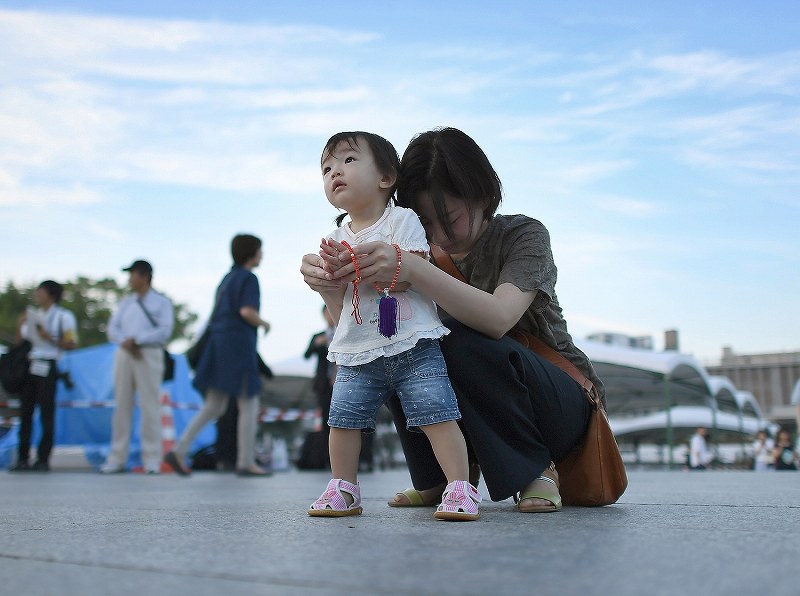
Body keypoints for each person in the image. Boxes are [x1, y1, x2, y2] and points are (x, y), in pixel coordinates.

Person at [302, 127, 602, 514]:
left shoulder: (522, 235)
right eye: (427, 222)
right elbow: (361, 329)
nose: (440, 235)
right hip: (480, 403)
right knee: (392, 347)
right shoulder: (400, 241)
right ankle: (439, 480)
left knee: (452, 339)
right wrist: (328, 286)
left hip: (557, 404)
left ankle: (536, 471)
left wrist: (413, 267)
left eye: (452, 218)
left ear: (483, 195)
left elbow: (498, 319)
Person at [306, 131, 479, 521]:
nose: (336, 172)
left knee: (437, 413)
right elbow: (340, 301)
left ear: (386, 177)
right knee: (342, 421)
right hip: (355, 349)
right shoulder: (335, 237)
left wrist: (359, 264)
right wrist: (329, 274)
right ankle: (344, 486)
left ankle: (458, 486)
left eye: (349, 161)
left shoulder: (402, 220)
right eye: (327, 168)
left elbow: (407, 271)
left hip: (412, 344)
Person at [164, 234, 271, 478]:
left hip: (218, 347)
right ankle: (245, 461)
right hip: (238, 348)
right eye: (260, 250)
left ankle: (180, 451)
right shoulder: (249, 278)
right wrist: (264, 323)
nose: (262, 255)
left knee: (214, 405)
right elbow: (247, 311)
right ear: (252, 253)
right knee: (249, 402)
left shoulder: (227, 279)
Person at [101, 260, 174, 474]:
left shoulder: (161, 302)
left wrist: (138, 340)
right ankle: (117, 458)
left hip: (149, 353)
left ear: (144, 276)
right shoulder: (126, 302)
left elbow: (165, 330)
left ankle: (152, 458)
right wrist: (126, 341)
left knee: (150, 405)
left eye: (132, 274)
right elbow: (112, 329)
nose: (129, 279)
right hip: (125, 353)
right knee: (121, 405)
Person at [9, 281, 78, 472]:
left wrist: (49, 338)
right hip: (30, 365)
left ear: (51, 294)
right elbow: (20, 343)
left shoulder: (63, 316)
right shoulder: (33, 315)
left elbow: (72, 343)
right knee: (25, 413)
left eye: (41, 290)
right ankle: (22, 457)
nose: (37, 293)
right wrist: (20, 324)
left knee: (47, 413)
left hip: (48, 365)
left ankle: (43, 458)